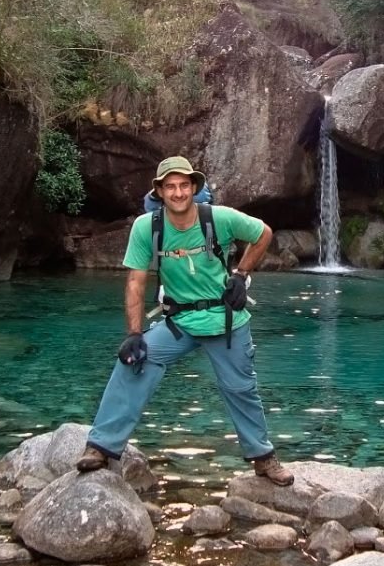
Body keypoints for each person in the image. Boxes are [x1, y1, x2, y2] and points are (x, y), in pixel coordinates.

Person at [76, 156, 294, 486]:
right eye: (170, 187)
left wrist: (241, 274)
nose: (178, 193)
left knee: (241, 389)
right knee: (133, 360)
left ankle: (264, 458)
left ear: (193, 188)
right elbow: (136, 281)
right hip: (179, 322)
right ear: (160, 192)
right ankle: (101, 446)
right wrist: (134, 334)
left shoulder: (218, 218)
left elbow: (263, 232)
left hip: (225, 320)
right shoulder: (146, 227)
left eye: (183, 185)